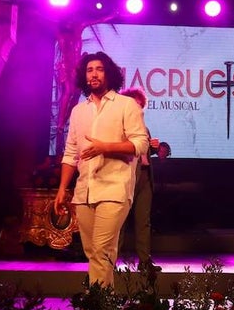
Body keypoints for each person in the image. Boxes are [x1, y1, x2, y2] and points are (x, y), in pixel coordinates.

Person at [53, 51, 150, 288]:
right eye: (89, 70)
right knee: (95, 253)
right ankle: (105, 309)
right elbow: (70, 154)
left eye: (99, 69)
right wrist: (62, 189)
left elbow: (140, 144)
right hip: (85, 190)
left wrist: (105, 147)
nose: (94, 74)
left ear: (109, 73)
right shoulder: (79, 111)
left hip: (114, 189)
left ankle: (97, 308)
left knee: (101, 250)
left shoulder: (126, 105)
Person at [119, 86, 171, 267]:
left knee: (143, 221)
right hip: (126, 178)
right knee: (119, 221)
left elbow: (144, 154)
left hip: (146, 177)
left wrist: (154, 148)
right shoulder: (120, 127)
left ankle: (144, 261)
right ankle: (110, 261)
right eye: (135, 105)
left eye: (140, 106)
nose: (138, 109)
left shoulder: (144, 128)